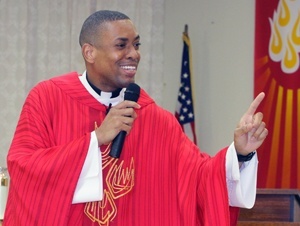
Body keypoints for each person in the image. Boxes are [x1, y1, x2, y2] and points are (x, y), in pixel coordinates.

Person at [3, 10, 268, 226]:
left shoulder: (155, 119)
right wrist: (95, 140)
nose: (134, 54)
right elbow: (24, 167)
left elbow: (198, 179)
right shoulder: (47, 99)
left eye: (136, 45)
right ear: (89, 52)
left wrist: (240, 154)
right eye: (122, 45)